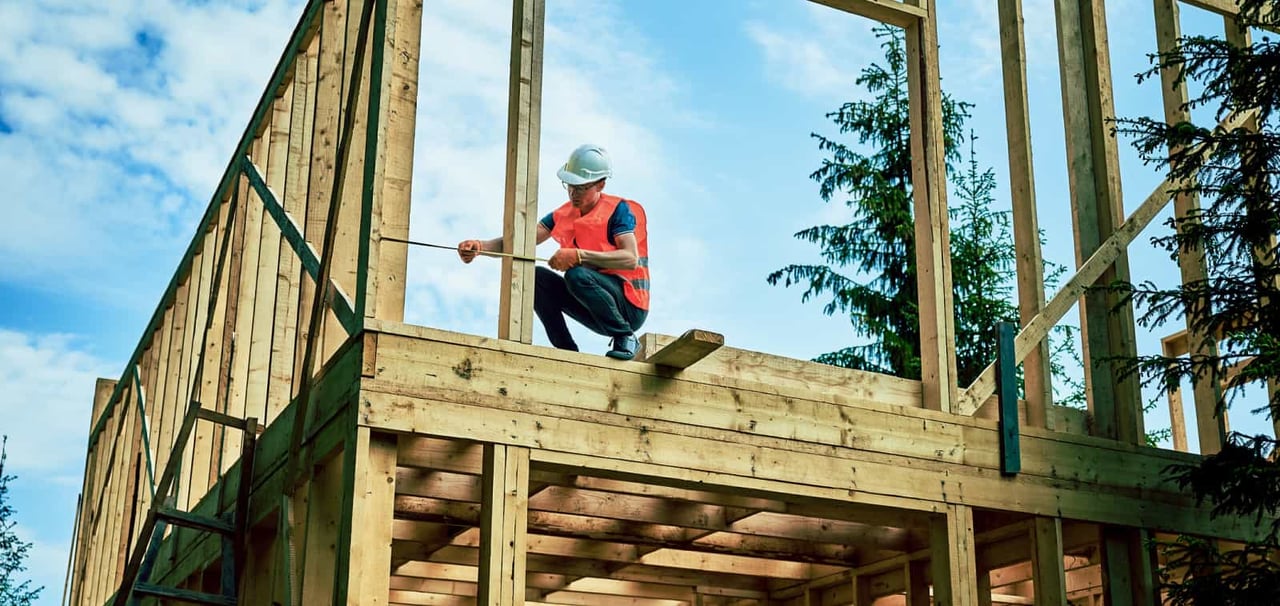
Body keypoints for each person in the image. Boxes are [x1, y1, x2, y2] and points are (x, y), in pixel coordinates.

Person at [457, 144, 649, 360]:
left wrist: (578, 256)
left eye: (582, 187)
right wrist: (480, 247)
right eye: (570, 185)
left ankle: (625, 337)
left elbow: (630, 258)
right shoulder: (564, 214)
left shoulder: (619, 211)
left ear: (600, 184)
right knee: (536, 277)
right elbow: (520, 242)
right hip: (595, 306)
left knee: (576, 275)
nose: (573, 193)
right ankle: (566, 351)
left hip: (629, 307)